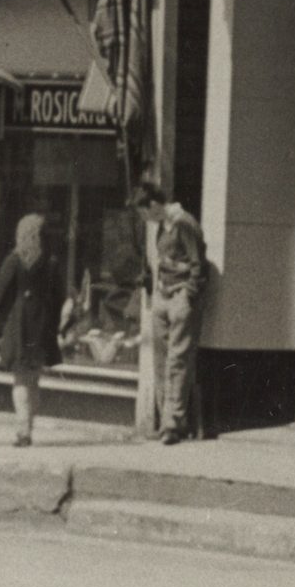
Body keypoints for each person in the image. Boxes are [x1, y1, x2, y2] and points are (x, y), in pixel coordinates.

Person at [135, 178, 208, 445]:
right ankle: (166, 418)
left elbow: (198, 264)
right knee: (161, 358)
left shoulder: (183, 223)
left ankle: (173, 423)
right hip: (163, 295)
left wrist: (187, 296)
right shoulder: (161, 228)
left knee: (177, 359)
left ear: (154, 205)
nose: (145, 218)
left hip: (179, 296)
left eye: (144, 212)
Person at [0, 213, 66, 447]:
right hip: (42, 325)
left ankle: (23, 431)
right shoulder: (51, 262)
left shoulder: (15, 260)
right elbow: (59, 296)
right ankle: (29, 426)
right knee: (33, 379)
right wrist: (55, 323)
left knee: (19, 380)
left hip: (19, 324)